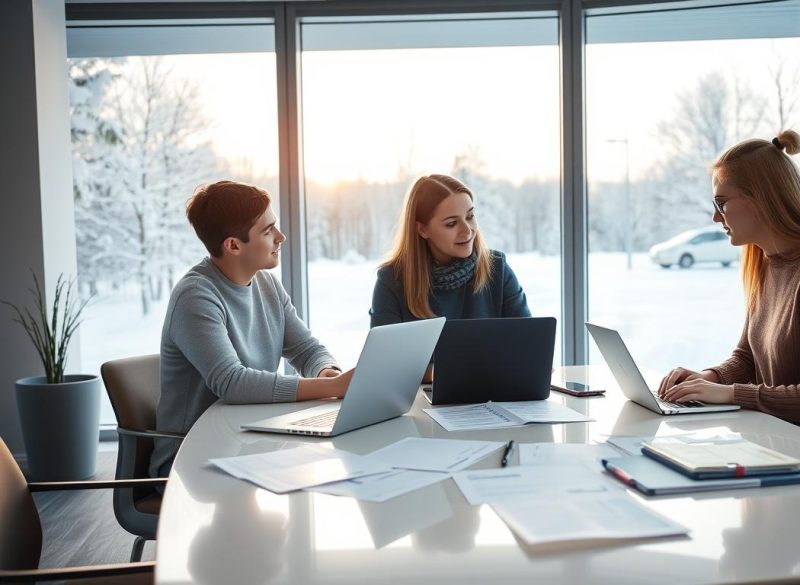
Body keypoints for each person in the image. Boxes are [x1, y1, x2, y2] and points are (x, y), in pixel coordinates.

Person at [657, 130, 800, 450]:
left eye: (721, 202)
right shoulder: (764, 262)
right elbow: (748, 358)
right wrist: (710, 379)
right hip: (774, 444)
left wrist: (730, 394)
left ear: (761, 197)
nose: (715, 216)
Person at [151, 180, 352, 479]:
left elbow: (307, 350)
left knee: (331, 469)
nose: (281, 237)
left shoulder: (267, 284)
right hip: (191, 459)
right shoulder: (195, 296)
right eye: (268, 231)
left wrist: (327, 373)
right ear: (233, 245)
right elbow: (231, 382)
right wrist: (330, 389)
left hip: (249, 442)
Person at [369, 174, 531, 327]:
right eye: (451, 223)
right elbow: (383, 356)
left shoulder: (497, 269)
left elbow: (529, 343)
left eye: (470, 216)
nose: (467, 231)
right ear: (423, 230)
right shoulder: (392, 281)